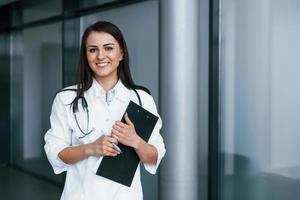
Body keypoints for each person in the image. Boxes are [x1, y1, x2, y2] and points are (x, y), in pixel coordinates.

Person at [44, 21, 166, 200]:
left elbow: (154, 157)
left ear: (121, 53)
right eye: (92, 50)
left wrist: (135, 141)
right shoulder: (66, 99)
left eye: (108, 48)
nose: (100, 56)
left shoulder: (142, 99)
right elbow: (55, 152)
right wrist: (90, 148)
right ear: (86, 55)